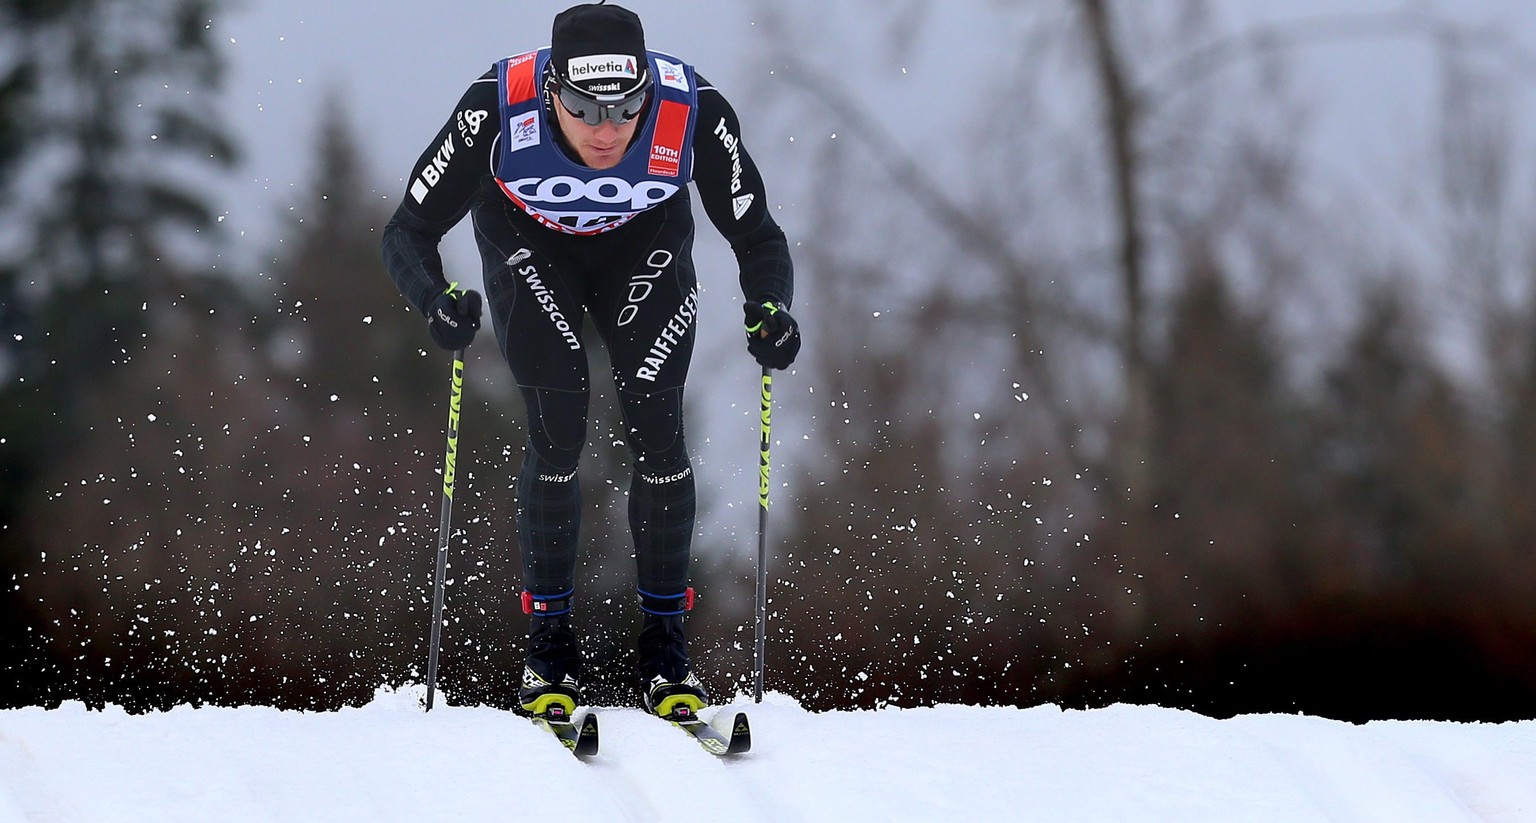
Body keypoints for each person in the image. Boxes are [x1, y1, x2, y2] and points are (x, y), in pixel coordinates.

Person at [379, 2, 799, 721]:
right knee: (560, 425)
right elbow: (407, 230)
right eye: (584, 108)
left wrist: (771, 309)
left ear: (648, 92)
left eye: (627, 107)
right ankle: (550, 647)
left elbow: (758, 235)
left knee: (659, 431)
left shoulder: (691, 109)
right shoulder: (497, 107)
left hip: (643, 241)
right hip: (527, 240)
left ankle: (667, 651)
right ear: (551, 93)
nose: (608, 130)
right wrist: (436, 299)